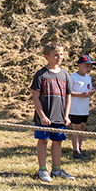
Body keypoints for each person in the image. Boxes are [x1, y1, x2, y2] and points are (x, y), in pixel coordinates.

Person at [31, 42, 74, 182]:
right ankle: (42, 170)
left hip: (59, 117)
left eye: (61, 54)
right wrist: (42, 115)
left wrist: (66, 116)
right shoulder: (40, 74)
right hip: (44, 118)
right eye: (55, 55)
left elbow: (68, 96)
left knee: (57, 142)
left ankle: (56, 169)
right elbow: (35, 97)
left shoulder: (65, 74)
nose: (59, 57)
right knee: (43, 141)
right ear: (46, 57)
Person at [69, 54, 96, 161]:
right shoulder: (72, 77)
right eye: (87, 66)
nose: (89, 68)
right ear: (79, 65)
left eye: (91, 66)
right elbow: (68, 92)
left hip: (85, 108)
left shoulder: (89, 77)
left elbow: (87, 89)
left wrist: (89, 93)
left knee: (82, 128)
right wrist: (81, 95)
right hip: (75, 108)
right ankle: (75, 151)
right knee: (76, 129)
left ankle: (79, 149)